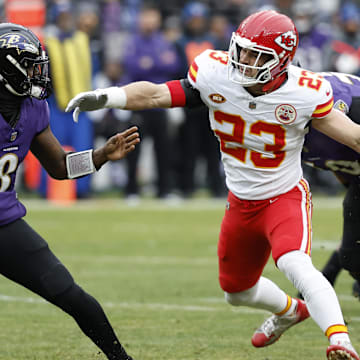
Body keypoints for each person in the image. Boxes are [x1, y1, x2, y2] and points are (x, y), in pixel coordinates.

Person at [66, 10, 360, 359]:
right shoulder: (216, 74)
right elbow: (157, 95)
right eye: (243, 50)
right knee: (236, 291)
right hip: (240, 201)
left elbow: (354, 137)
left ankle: (340, 341)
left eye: (257, 55)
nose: (245, 60)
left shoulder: (304, 92)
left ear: (281, 61)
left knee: (294, 263)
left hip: (284, 195)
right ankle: (291, 311)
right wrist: (109, 96)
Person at [0, 23, 139, 360]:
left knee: (68, 292)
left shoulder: (33, 109)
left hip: (5, 224)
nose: (39, 75)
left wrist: (101, 156)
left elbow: (60, 167)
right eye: (32, 67)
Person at [302, 71, 360, 300]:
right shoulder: (275, 120)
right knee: (352, 256)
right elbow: (339, 166)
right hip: (353, 168)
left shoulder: (345, 105)